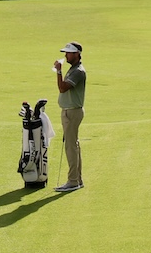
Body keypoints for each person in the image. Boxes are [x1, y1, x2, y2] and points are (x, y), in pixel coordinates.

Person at [53, 41, 86, 192]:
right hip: (70, 111)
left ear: (77, 54)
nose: (66, 55)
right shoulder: (73, 69)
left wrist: (58, 71)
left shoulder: (78, 71)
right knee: (74, 145)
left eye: (68, 53)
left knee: (71, 147)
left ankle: (73, 181)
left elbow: (62, 88)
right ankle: (77, 179)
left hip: (72, 112)